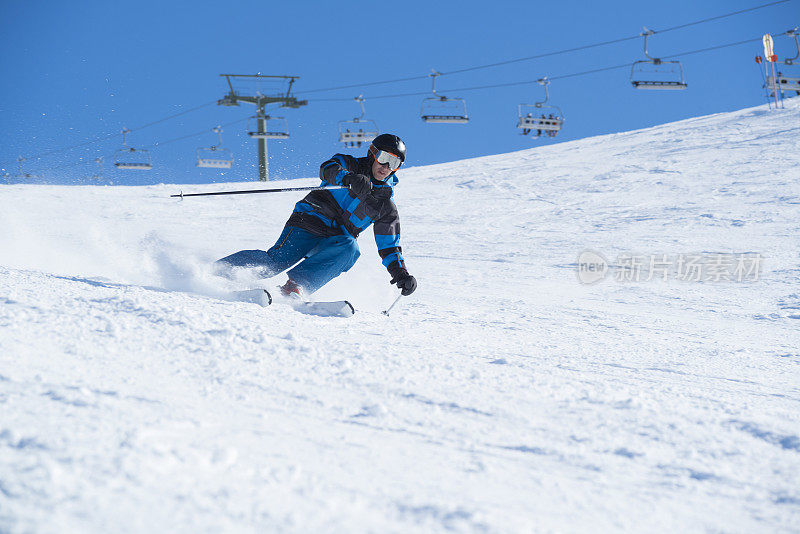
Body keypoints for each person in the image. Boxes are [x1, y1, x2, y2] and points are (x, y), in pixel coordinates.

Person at [216, 133, 417, 300]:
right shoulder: (350, 165)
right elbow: (327, 169)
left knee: (350, 248)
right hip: (310, 221)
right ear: (372, 153)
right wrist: (347, 178)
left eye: (394, 162)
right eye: (383, 158)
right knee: (274, 263)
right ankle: (217, 271)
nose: (386, 167)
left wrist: (401, 275)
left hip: (334, 239)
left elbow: (389, 245)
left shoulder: (385, 205)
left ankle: (295, 286)